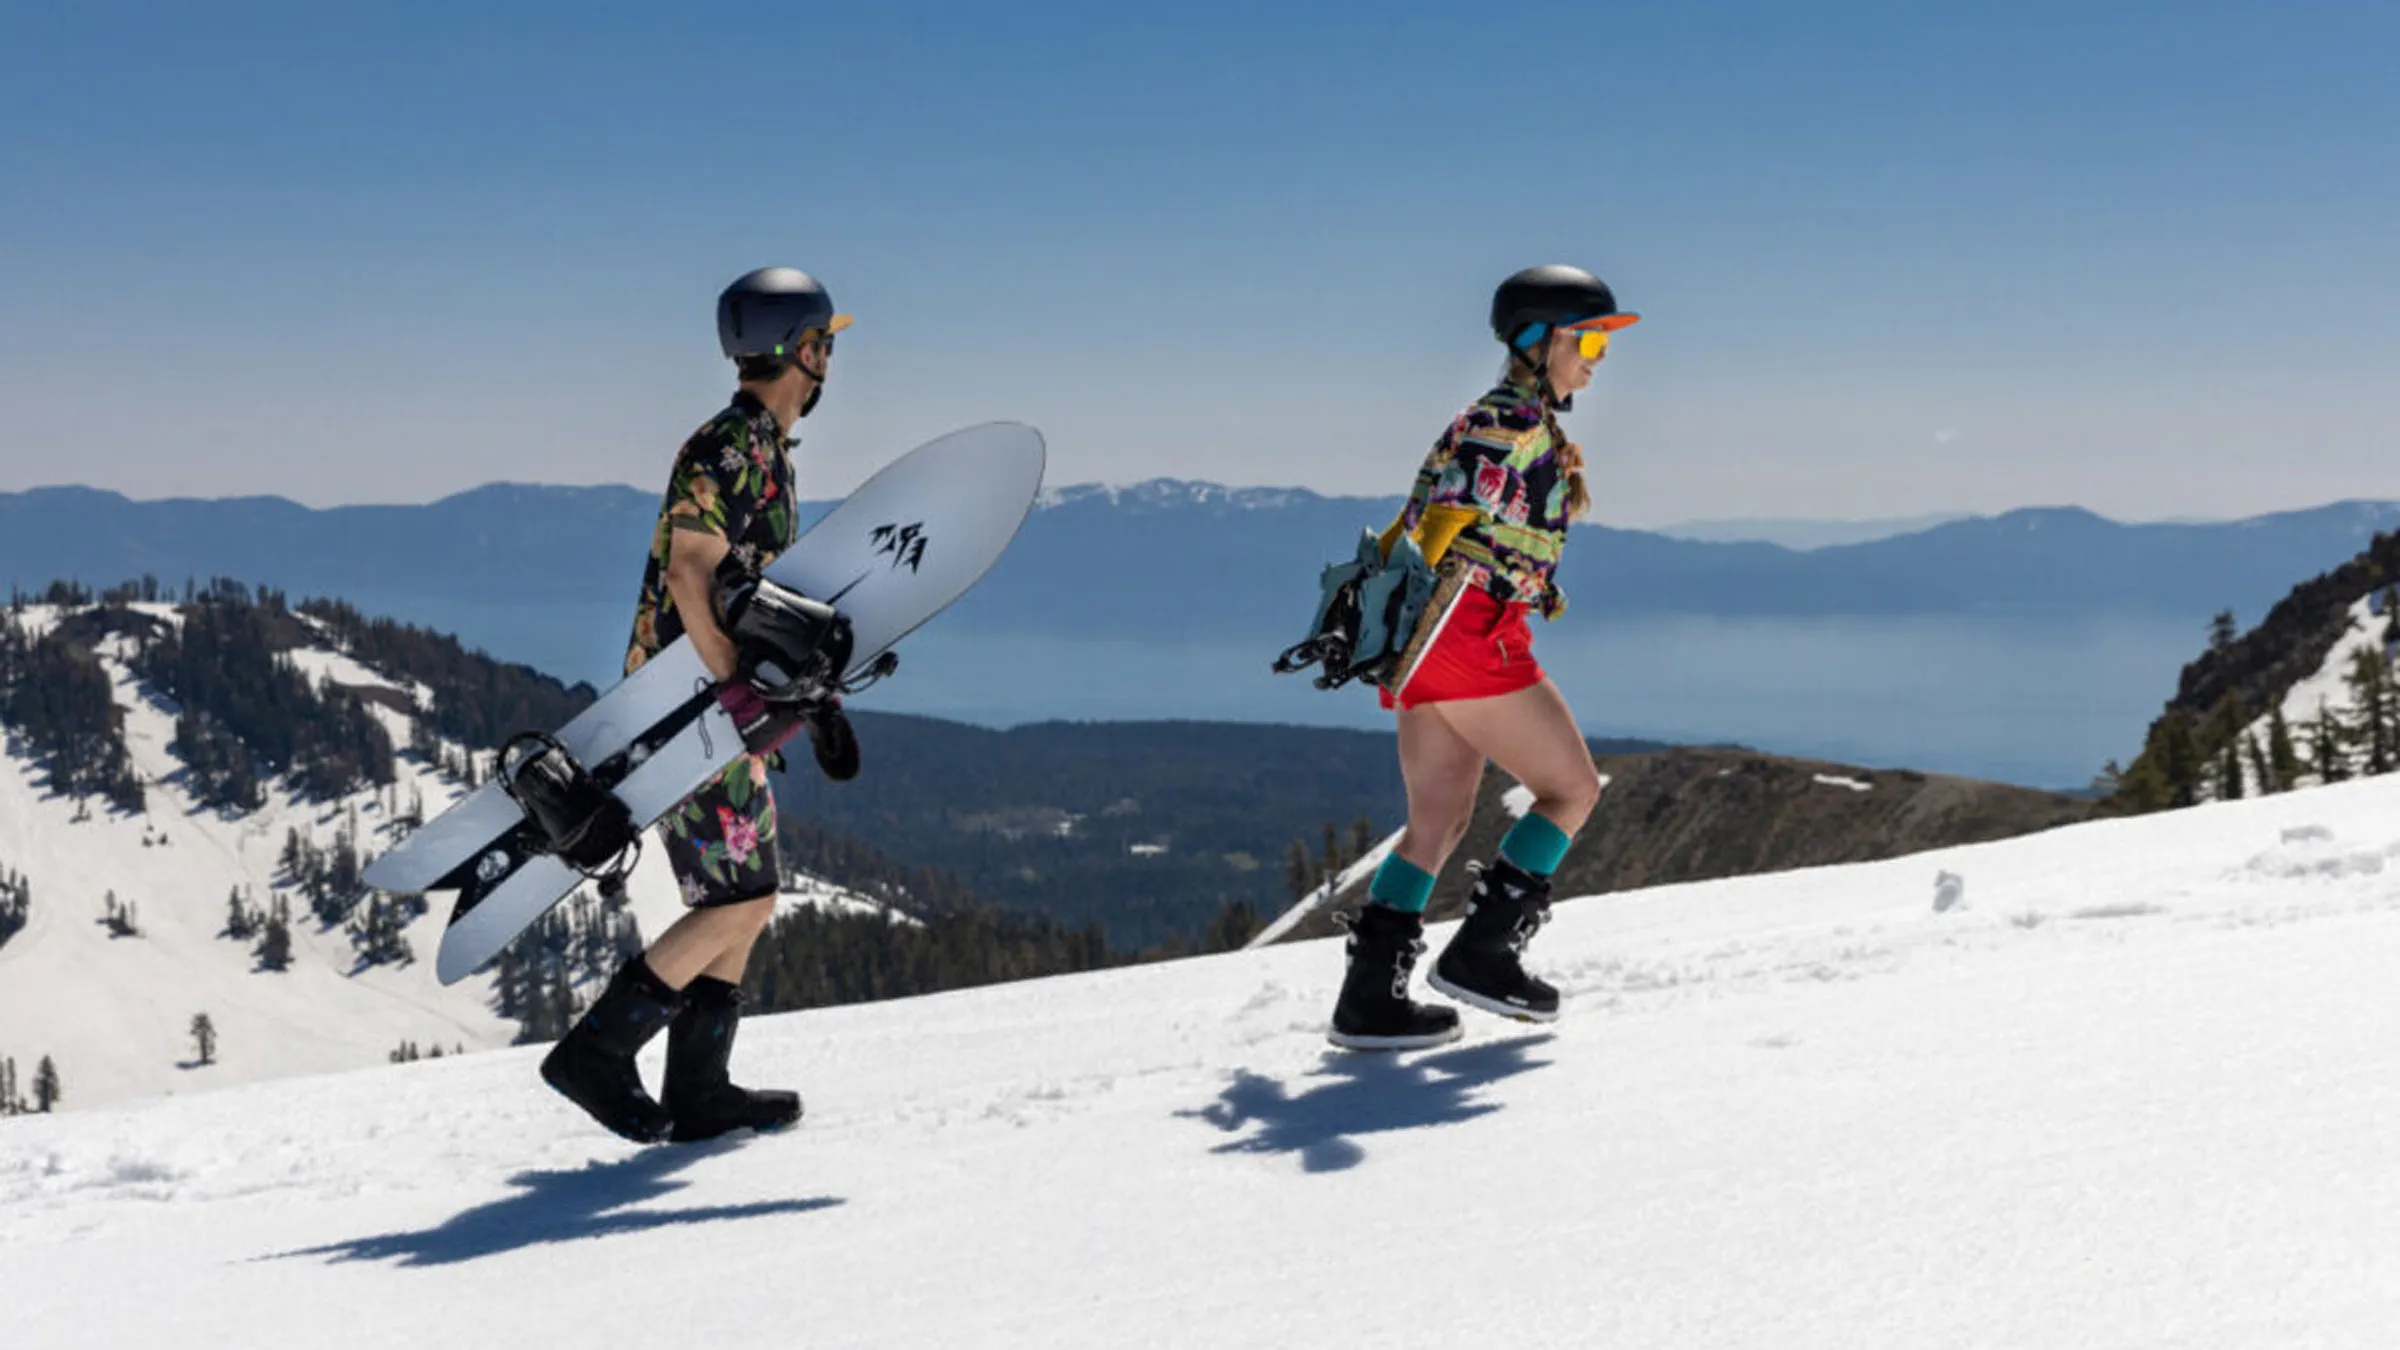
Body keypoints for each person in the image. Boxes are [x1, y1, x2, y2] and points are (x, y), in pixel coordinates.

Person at [540, 266, 854, 1141]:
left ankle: (701, 1087)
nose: (830, 360)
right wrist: (734, 693)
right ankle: (595, 1054)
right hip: (684, 716)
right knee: (737, 903)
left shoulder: (762, 450)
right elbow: (691, 573)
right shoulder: (726, 447)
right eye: (825, 342)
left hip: (712, 711)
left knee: (749, 893)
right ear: (805, 350)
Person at [1327, 264, 1640, 1051]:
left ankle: (1370, 1001)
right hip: (1473, 635)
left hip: (1426, 647)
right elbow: (1454, 520)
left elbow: (1431, 522)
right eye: (1591, 340)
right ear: (1538, 341)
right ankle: (1485, 952)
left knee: (1436, 819)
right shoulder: (1510, 423)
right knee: (1570, 790)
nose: (1598, 359)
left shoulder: (1497, 417)